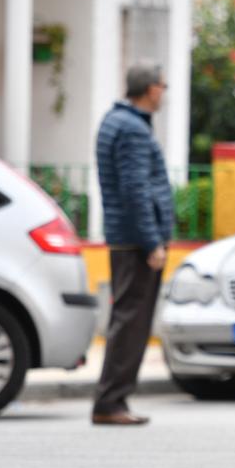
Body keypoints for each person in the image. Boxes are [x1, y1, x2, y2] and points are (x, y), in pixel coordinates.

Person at [91, 63, 173, 426]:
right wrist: (152, 241)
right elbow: (135, 190)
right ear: (149, 89)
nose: (164, 91)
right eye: (161, 85)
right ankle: (111, 402)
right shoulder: (132, 129)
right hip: (136, 242)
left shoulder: (116, 121)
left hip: (125, 238)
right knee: (131, 322)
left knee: (127, 319)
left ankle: (112, 400)